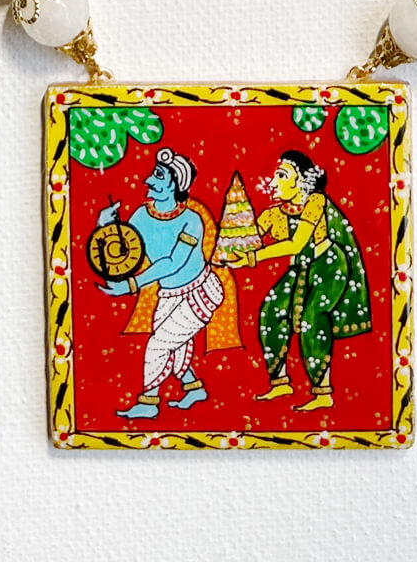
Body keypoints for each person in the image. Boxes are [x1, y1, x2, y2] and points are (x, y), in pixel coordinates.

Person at [226, 150, 371, 411]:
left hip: (329, 266)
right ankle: (280, 382)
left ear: (301, 181)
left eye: (282, 175)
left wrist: (251, 257)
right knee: (271, 310)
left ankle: (323, 391)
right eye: (276, 175)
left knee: (311, 319)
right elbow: (250, 238)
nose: (274, 181)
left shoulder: (315, 201)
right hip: (299, 269)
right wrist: (230, 244)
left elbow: (296, 243)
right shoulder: (273, 214)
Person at [97, 148, 224, 419]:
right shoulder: (142, 215)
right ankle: (193, 387)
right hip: (169, 293)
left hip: (199, 291)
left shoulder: (192, 220)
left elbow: (171, 262)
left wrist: (131, 286)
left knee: (159, 344)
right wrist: (103, 227)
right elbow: (124, 255)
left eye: (158, 175)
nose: (148, 181)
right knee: (175, 343)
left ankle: (148, 401)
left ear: (176, 183)